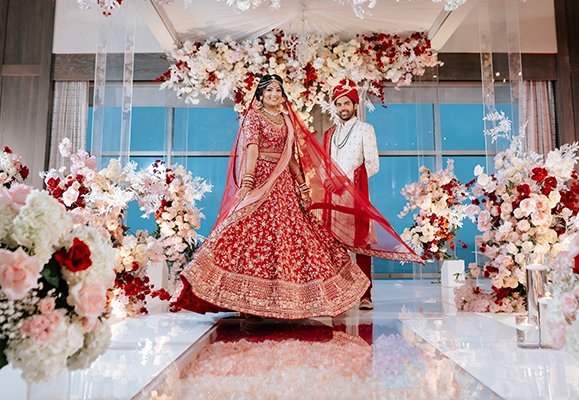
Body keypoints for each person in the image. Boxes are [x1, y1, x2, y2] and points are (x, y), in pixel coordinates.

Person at [171, 75, 420, 319]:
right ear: (260, 94)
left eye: (278, 90)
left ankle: (339, 295)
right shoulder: (255, 118)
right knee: (252, 231)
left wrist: (302, 184)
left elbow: (291, 156)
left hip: (314, 187)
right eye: (269, 90)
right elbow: (252, 149)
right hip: (262, 180)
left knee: (307, 236)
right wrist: (248, 179)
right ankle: (245, 297)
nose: (274, 94)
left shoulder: (290, 120)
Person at [323, 80, 378, 310]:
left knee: (361, 244)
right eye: (338, 104)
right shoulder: (329, 134)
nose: (342, 107)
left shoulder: (366, 129)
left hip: (355, 194)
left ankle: (366, 294)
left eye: (346, 103)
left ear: (355, 105)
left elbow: (373, 164)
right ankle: (343, 293)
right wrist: (327, 180)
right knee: (336, 245)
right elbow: (323, 164)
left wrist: (345, 182)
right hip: (332, 196)